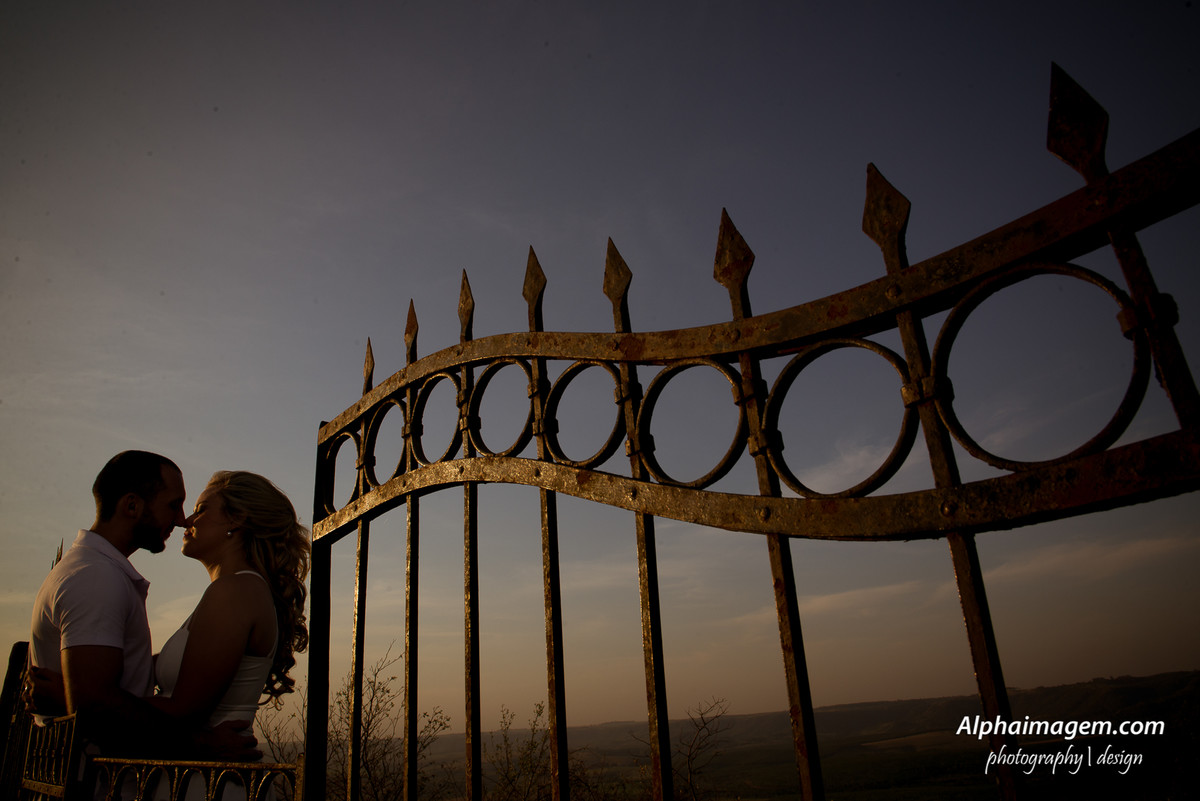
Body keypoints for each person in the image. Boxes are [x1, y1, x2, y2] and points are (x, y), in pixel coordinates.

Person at [147, 470, 309, 801]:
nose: (188, 519)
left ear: (237, 519)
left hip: (204, 786)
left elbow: (183, 712)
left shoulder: (236, 591)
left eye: (202, 508)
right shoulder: (233, 590)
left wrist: (80, 702)